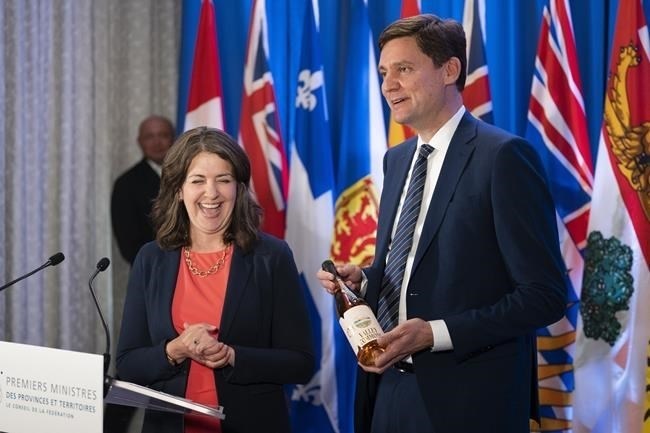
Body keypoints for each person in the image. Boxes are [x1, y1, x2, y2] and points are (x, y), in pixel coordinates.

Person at [317, 14, 567, 433]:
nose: (388, 85)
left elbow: (544, 296)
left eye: (404, 69)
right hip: (388, 391)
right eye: (383, 72)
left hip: (469, 399)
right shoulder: (396, 161)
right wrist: (364, 279)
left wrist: (435, 333)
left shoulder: (503, 158)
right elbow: (417, 264)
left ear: (450, 70)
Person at [116, 127, 314, 433]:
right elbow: (128, 364)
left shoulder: (271, 256)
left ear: (238, 188)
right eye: (197, 180)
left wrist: (233, 356)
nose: (212, 193)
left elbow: (300, 362)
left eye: (223, 180)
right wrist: (175, 350)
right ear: (179, 189)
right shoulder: (151, 259)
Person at [111, 115, 175, 265]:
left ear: (174, 138)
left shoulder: (190, 176)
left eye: (163, 135)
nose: (157, 142)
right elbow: (128, 244)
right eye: (149, 137)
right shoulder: (126, 184)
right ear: (140, 142)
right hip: (152, 273)